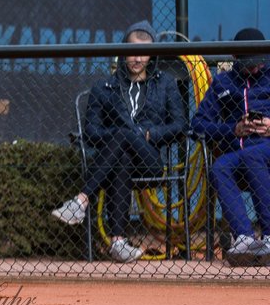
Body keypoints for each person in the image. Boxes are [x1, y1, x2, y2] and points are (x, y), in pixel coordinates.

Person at [50, 21, 187, 263]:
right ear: (124, 50)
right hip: (115, 163)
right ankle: (118, 242)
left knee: (124, 135)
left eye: (144, 53)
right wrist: (119, 136)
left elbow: (179, 126)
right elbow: (91, 132)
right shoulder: (104, 88)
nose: (137, 58)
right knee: (121, 149)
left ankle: (81, 200)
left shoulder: (165, 84)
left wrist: (148, 135)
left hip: (150, 161)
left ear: (152, 54)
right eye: (133, 51)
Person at [190, 26, 270, 261]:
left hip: (266, 149)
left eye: (260, 61)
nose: (256, 67)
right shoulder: (223, 82)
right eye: (249, 63)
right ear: (235, 58)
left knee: (251, 156)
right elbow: (197, 125)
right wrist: (232, 130)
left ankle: (269, 236)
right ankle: (244, 238)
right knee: (220, 166)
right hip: (239, 151)